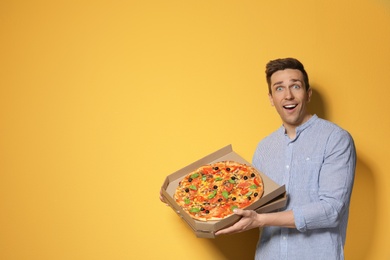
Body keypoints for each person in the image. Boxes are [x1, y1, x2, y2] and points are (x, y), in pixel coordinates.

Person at [215, 57, 356, 260]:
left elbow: (331, 210)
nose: (288, 95)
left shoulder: (335, 139)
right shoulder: (264, 148)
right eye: (279, 88)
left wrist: (262, 220)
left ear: (308, 94)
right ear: (271, 98)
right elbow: (246, 203)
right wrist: (179, 202)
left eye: (295, 86)